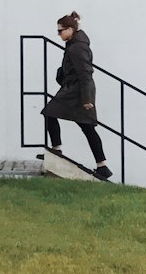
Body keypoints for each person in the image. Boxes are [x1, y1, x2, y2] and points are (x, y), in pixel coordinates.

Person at [41, 11, 113, 180]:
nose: (58, 34)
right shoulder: (74, 43)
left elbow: (85, 73)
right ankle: (102, 166)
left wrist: (87, 99)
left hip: (77, 91)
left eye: (60, 31)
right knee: (85, 128)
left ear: (71, 29)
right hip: (73, 89)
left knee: (53, 114)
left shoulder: (78, 47)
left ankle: (58, 149)